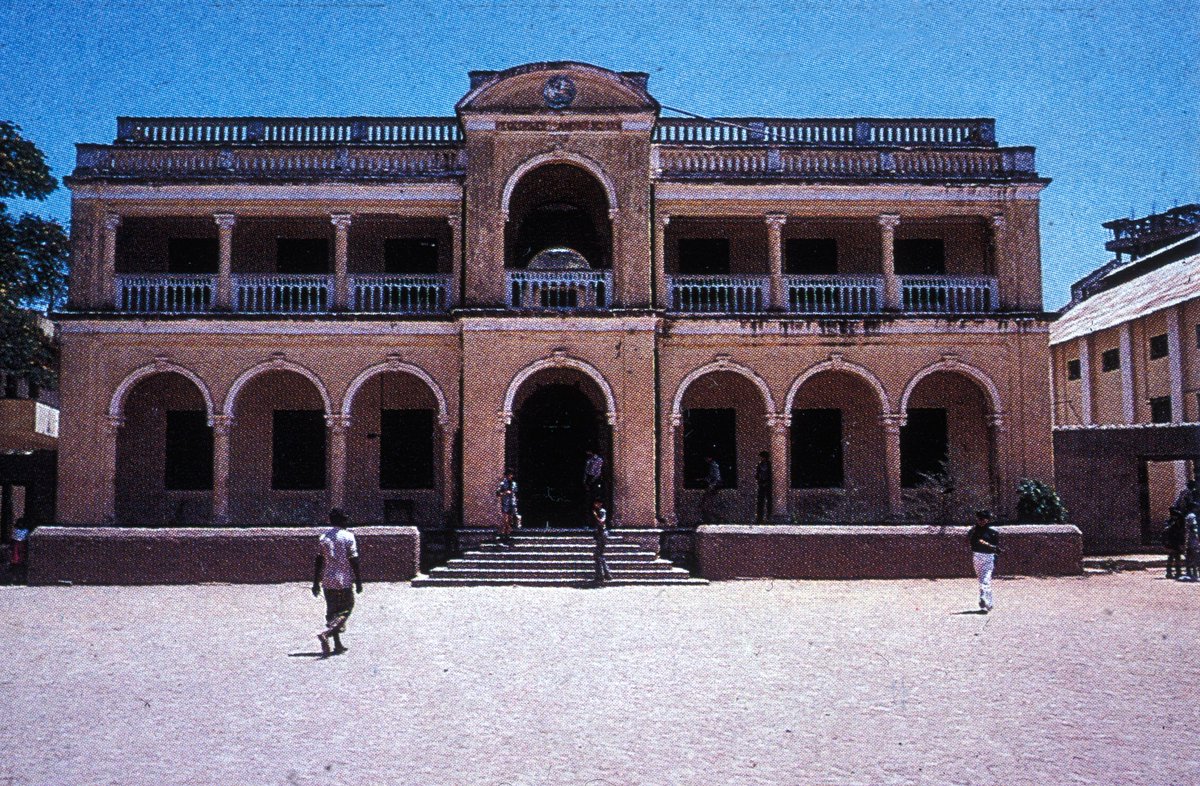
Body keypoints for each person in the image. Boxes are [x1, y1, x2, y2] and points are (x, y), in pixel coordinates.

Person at [311, 508, 362, 657]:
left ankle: (337, 644)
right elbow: (354, 559)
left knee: (332, 611)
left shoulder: (324, 537)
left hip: (328, 579)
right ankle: (327, 633)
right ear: (342, 520)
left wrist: (315, 582)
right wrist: (358, 580)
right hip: (344, 579)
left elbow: (319, 561)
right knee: (347, 608)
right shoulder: (348, 537)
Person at [968, 510, 1000, 612]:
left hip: (988, 557)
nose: (981, 521)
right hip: (977, 556)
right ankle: (987, 604)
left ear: (988, 520)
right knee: (982, 579)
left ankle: (984, 599)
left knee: (986, 579)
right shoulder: (973, 530)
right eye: (979, 519)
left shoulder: (993, 532)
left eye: (983, 519)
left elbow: (995, 547)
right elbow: (973, 542)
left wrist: (994, 551)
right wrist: (987, 545)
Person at [591, 498, 611, 586]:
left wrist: (595, 516)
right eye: (595, 503)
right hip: (600, 534)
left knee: (598, 555)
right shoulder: (599, 511)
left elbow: (602, 522)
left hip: (602, 534)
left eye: (597, 503)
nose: (595, 505)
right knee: (599, 555)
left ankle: (602, 575)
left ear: (600, 504)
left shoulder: (602, 511)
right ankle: (606, 574)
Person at [495, 469, 518, 546]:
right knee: (506, 520)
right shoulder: (502, 484)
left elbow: (515, 492)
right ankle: (504, 535)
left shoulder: (514, 483)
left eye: (511, 475)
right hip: (505, 504)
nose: (510, 476)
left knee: (510, 520)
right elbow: (498, 493)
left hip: (512, 503)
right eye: (508, 475)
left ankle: (508, 534)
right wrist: (505, 492)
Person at [9, 514, 34, 585]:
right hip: (16, 547)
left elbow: (27, 539)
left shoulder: (26, 530)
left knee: (21, 563)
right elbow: (13, 539)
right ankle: (15, 579)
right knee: (16, 562)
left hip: (22, 547)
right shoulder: (15, 530)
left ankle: (21, 579)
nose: (20, 524)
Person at [1164, 509, 1187, 580]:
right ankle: (1172, 572)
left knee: (1175, 557)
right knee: (1173, 557)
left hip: (1175, 542)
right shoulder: (1171, 523)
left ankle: (1175, 572)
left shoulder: (1176, 522)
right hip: (1172, 542)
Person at [699, 455, 722, 522]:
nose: (706, 460)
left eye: (707, 458)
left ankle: (710, 518)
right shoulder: (713, 465)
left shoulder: (713, 465)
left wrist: (708, 482)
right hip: (714, 484)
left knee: (706, 500)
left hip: (714, 484)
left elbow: (714, 477)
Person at [1181, 513, 1200, 582]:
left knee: (1194, 560)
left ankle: (1194, 574)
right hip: (1190, 545)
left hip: (1193, 545)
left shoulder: (1193, 528)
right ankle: (1190, 574)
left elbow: (1195, 536)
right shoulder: (1189, 528)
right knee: (1190, 560)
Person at [755, 451, 772, 524]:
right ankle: (759, 518)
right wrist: (759, 479)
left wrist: (766, 482)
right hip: (761, 484)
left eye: (762, 457)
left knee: (768, 501)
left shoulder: (769, 464)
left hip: (767, 484)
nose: (761, 458)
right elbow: (757, 474)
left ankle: (768, 517)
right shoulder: (759, 464)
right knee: (760, 501)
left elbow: (770, 474)